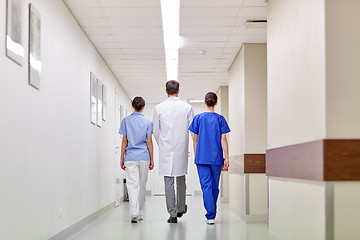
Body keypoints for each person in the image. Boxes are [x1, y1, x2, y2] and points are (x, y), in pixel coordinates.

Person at [153, 80, 194, 223]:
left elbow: (155, 131)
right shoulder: (187, 107)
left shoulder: (159, 108)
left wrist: (162, 144)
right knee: (181, 178)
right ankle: (181, 207)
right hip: (181, 148)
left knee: (168, 180)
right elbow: (193, 130)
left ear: (166, 91)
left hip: (166, 149)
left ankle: (172, 214)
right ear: (178, 90)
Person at [189, 92, 230, 225]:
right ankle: (212, 212)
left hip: (202, 158)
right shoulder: (220, 119)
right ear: (216, 103)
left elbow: (195, 140)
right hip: (217, 158)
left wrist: (197, 155)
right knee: (214, 186)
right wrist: (227, 158)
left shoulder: (198, 118)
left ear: (205, 102)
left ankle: (210, 215)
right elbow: (224, 140)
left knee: (206, 186)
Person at [119, 97, 154, 223]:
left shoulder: (126, 121)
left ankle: (134, 212)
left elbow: (124, 141)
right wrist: (152, 159)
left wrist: (121, 158)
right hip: (144, 156)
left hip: (130, 157)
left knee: (132, 185)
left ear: (133, 106)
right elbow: (149, 142)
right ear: (143, 107)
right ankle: (139, 213)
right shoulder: (148, 122)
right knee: (142, 185)